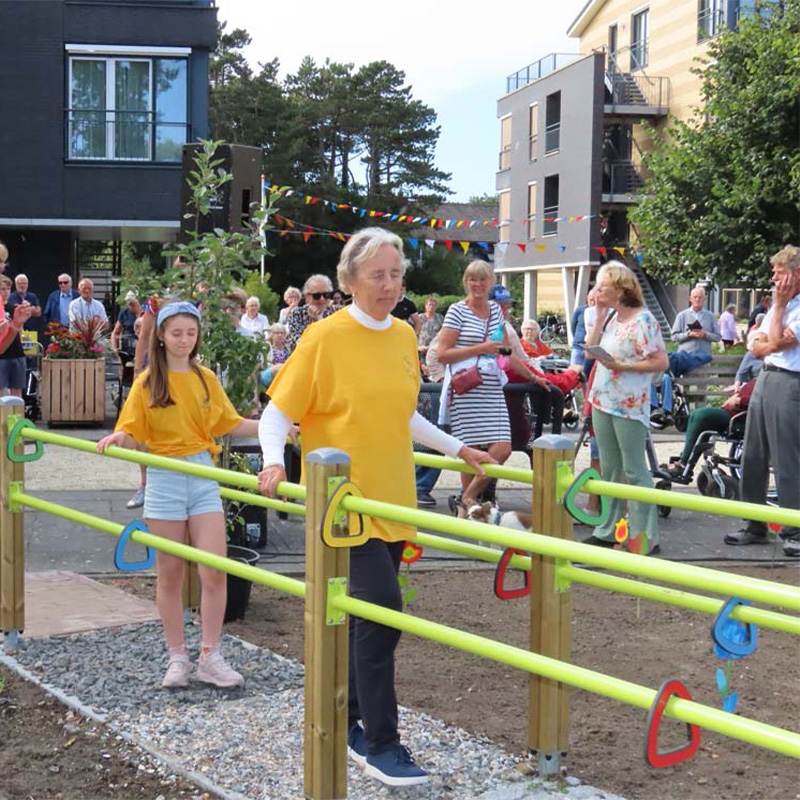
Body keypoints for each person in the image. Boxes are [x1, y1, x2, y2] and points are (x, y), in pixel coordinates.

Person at [257, 228, 494, 786]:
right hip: (345, 504)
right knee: (383, 611)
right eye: (377, 275)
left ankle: (344, 717)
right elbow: (276, 412)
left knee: (365, 616)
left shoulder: (401, 336)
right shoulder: (324, 338)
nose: (389, 285)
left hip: (394, 497)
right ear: (348, 282)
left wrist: (458, 449)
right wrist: (271, 460)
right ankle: (378, 740)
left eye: (395, 274)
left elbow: (402, 414)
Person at [96, 301, 259, 687]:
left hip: (201, 472)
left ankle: (210, 655)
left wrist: (275, 426)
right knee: (169, 573)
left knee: (214, 569)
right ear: (162, 338)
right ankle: (177, 657)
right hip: (166, 476)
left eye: (191, 333)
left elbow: (230, 422)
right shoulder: (149, 381)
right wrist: (121, 437)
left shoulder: (206, 379)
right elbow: (133, 430)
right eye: (176, 333)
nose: (184, 340)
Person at [583, 261, 668, 556]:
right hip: (603, 399)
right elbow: (588, 349)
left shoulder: (644, 320)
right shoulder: (610, 319)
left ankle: (645, 536)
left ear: (620, 288)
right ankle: (608, 529)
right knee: (610, 468)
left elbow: (660, 362)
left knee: (633, 469)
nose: (597, 289)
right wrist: (598, 317)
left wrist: (623, 365)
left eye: (603, 285)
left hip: (629, 404)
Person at [724, 245, 800, 557]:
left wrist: (779, 309)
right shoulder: (777, 307)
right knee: (753, 453)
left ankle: (793, 528)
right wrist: (766, 340)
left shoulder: (791, 306)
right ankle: (754, 523)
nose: (773, 278)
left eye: (779, 272)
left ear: (796, 275)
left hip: (789, 381)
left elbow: (778, 341)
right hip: (766, 377)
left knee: (786, 457)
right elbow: (755, 341)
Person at [436, 263, 513, 516]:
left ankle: (465, 498)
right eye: (471, 280)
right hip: (465, 387)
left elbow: (504, 349)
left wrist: (533, 376)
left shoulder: (496, 311)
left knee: (502, 448)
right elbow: (443, 354)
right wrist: (480, 349)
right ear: (465, 282)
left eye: (481, 279)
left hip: (491, 386)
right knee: (472, 449)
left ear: (490, 282)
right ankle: (467, 510)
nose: (477, 284)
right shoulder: (457, 311)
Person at [663, 379, 756, 481]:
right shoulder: (760, 379)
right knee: (697, 418)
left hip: (737, 418)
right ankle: (685, 462)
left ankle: (683, 463)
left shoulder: (767, 382)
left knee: (700, 415)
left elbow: (761, 401)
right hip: (731, 412)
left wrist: (740, 400)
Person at [285, 275, 335, 352]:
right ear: (306, 296)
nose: (322, 299)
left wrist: (318, 321)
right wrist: (315, 324)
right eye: (317, 296)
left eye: (326, 295)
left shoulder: (336, 312)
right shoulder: (297, 314)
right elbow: (301, 344)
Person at [0, 276, 26, 397]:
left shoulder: (14, 307)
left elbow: (20, 330)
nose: (5, 292)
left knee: (17, 389)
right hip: (2, 356)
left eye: (8, 289)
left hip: (16, 352)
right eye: (2, 289)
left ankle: (18, 415)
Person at [258, 323, 291, 390]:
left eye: (282, 333)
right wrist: (276, 366)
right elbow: (263, 364)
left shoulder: (288, 348)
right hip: (268, 373)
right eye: (277, 333)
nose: (280, 335)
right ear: (271, 335)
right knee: (279, 368)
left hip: (284, 374)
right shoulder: (266, 347)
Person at [733, 320, 765, 390]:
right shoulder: (750, 355)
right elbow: (741, 373)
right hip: (754, 386)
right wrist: (737, 385)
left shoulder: (772, 355)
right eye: (756, 340)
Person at [570, 288, 596, 367]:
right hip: (578, 346)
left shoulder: (601, 312)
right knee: (574, 372)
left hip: (592, 348)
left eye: (595, 300)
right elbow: (573, 326)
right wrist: (578, 338)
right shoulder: (580, 310)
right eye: (591, 300)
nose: (593, 303)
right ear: (587, 297)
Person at [111, 292, 142, 356]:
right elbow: (116, 332)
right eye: (129, 304)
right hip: (127, 348)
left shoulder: (145, 313)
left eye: (133, 304)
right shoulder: (124, 313)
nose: (131, 306)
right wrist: (115, 348)